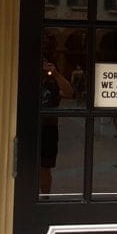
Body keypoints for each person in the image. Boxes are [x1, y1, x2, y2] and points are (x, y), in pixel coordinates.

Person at [39, 55, 73, 194]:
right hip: (29, 127)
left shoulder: (53, 81)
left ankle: (45, 198)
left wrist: (56, 75)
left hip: (48, 128)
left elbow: (69, 93)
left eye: (45, 63)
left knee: (45, 167)